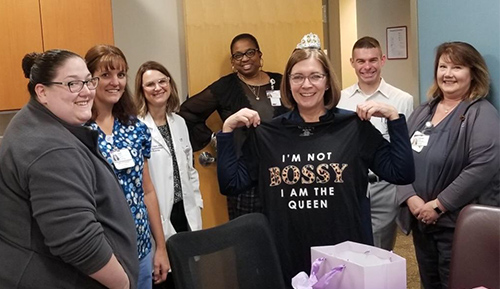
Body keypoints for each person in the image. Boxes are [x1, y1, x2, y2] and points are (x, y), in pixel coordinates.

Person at [216, 33, 415, 287]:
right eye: (298, 77)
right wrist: (226, 132)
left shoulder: (354, 127)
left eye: (315, 76)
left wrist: (395, 120)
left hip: (345, 255)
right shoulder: (269, 134)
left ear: (327, 82)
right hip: (287, 252)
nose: (306, 85)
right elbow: (231, 184)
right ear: (287, 83)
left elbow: (402, 172)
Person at [0, 49, 138, 288]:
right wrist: (123, 283)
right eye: (73, 84)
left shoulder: (33, 123)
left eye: (88, 81)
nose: (86, 91)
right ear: (42, 92)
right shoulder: (52, 149)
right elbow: (77, 240)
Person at [396, 41, 500, 289]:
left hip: (458, 227)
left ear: (473, 73)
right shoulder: (423, 111)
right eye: (443, 66)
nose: (448, 74)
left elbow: (482, 167)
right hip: (422, 221)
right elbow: (399, 158)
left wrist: (439, 205)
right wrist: (411, 198)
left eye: (457, 67)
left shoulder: (481, 113)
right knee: (428, 283)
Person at [85, 45, 169, 288]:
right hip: (101, 254)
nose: (115, 82)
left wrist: (160, 247)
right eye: (106, 75)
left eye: (121, 75)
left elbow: (148, 190)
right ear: (89, 80)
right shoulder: (79, 131)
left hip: (140, 248)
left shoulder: (135, 128)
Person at [179, 33, 288, 219]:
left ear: (260, 55)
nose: (244, 58)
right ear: (233, 61)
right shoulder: (226, 87)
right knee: (248, 237)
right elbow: (187, 112)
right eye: (238, 55)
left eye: (250, 52)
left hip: (282, 172)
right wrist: (217, 139)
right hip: (245, 178)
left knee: (284, 231)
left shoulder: (280, 82)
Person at [337, 36, 414, 251]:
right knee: (348, 246)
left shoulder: (402, 99)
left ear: (383, 60)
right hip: (350, 185)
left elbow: (405, 149)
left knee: (379, 250)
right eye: (361, 61)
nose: (367, 67)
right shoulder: (339, 100)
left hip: (384, 186)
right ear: (352, 62)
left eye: (373, 60)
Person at [135, 61, 204, 289]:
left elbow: (189, 169)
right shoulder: (136, 127)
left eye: (162, 81)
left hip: (185, 211)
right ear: (142, 91)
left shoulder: (180, 122)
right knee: (164, 278)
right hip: (157, 215)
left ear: (170, 85)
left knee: (188, 276)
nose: (158, 88)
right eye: (150, 84)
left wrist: (198, 203)